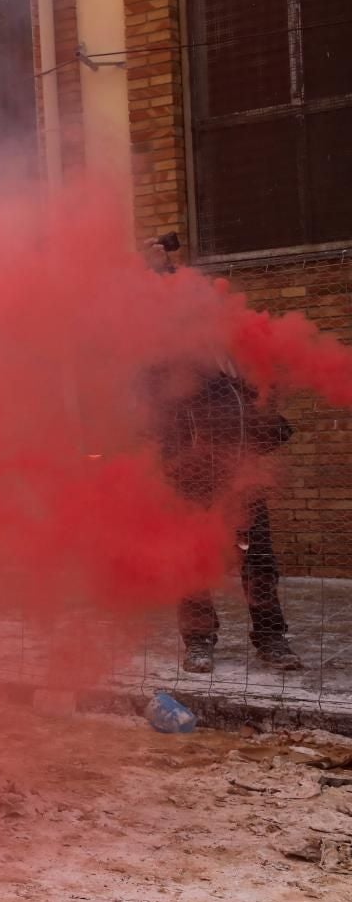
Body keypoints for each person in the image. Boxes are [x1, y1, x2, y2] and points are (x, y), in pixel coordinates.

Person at [144, 234, 302, 674]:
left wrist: (267, 430)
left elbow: (262, 402)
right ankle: (199, 642)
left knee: (259, 559)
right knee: (195, 559)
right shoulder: (169, 360)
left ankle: (271, 639)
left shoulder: (235, 359)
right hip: (193, 472)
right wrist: (160, 270)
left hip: (242, 473)